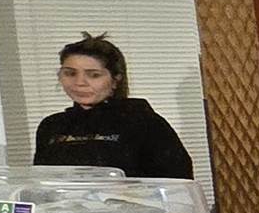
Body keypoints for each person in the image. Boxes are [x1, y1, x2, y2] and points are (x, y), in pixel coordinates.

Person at [32, 33, 194, 177]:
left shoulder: (144, 123)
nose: (80, 82)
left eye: (94, 75)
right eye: (70, 73)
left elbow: (177, 184)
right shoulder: (51, 126)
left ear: (115, 80)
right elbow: (40, 184)